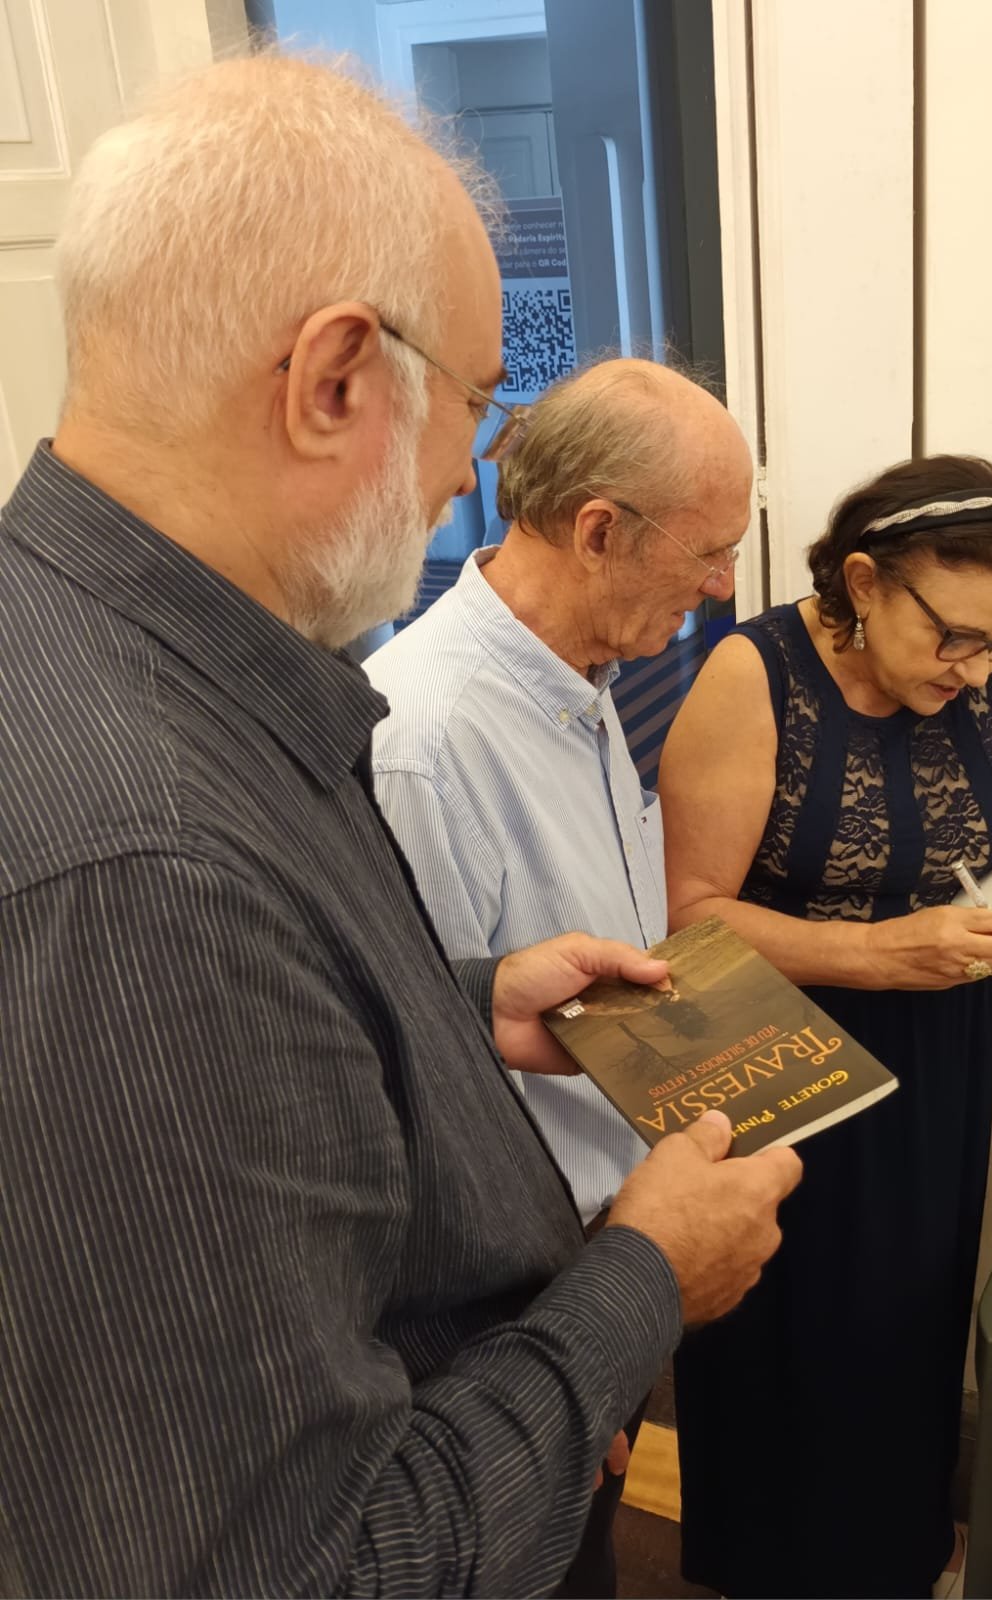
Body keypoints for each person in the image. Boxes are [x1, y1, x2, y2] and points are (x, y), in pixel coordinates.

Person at [0, 54, 802, 1598]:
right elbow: (315, 1568)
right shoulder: (144, 872)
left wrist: (455, 1007)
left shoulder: (142, 668)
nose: (472, 470)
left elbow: (242, 1058)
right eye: (478, 402)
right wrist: (644, 1278)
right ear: (337, 380)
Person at [657, 455, 992, 1600]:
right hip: (773, 1049)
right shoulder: (751, 674)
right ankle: (765, 1568)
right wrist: (877, 953)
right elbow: (692, 918)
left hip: (933, 1049)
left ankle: (892, 1555)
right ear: (864, 581)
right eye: (953, 637)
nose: (973, 667)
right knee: (782, 1320)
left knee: (905, 1308)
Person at [365, 356, 752, 1593]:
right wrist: (537, 1361)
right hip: (517, 1298)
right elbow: (412, 1116)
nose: (722, 584)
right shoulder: (421, 741)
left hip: (596, 1245)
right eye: (709, 551)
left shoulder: (582, 677)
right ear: (596, 531)